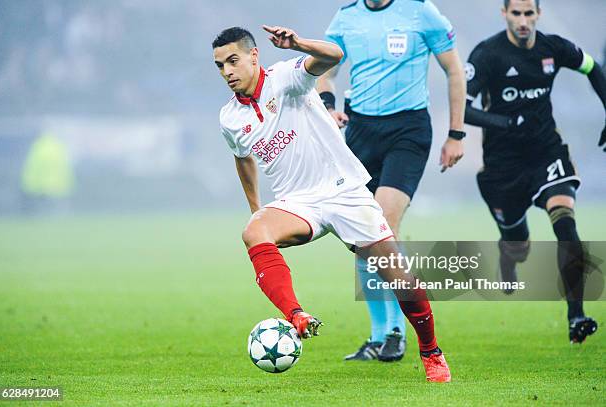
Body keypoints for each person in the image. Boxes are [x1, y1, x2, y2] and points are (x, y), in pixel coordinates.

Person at [213, 25, 451, 381]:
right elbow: (242, 157)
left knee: (398, 276)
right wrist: (256, 208)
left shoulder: (286, 77)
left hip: (345, 192)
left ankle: (431, 352)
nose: (227, 71)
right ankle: (296, 315)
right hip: (298, 203)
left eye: (233, 61)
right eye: (220, 65)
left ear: (253, 56)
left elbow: (333, 56)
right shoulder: (230, 117)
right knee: (254, 231)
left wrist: (297, 44)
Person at [316, 0, 466, 361]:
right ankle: (378, 334)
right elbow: (325, 70)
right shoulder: (347, 16)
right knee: (360, 235)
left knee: (382, 225)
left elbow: (454, 70)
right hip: (360, 131)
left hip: (408, 130)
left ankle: (397, 332)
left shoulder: (421, 11)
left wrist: (456, 133)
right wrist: (327, 104)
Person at [464, 0, 605, 343]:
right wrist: (508, 122)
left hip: (546, 152)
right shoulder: (487, 55)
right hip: (502, 166)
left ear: (538, 14)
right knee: (518, 244)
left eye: (530, 14)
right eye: (517, 14)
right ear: (505, 15)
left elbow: (593, 68)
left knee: (566, 222)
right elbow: (463, 109)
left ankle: (576, 315)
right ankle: (509, 255)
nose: (524, 21)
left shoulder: (553, 48)